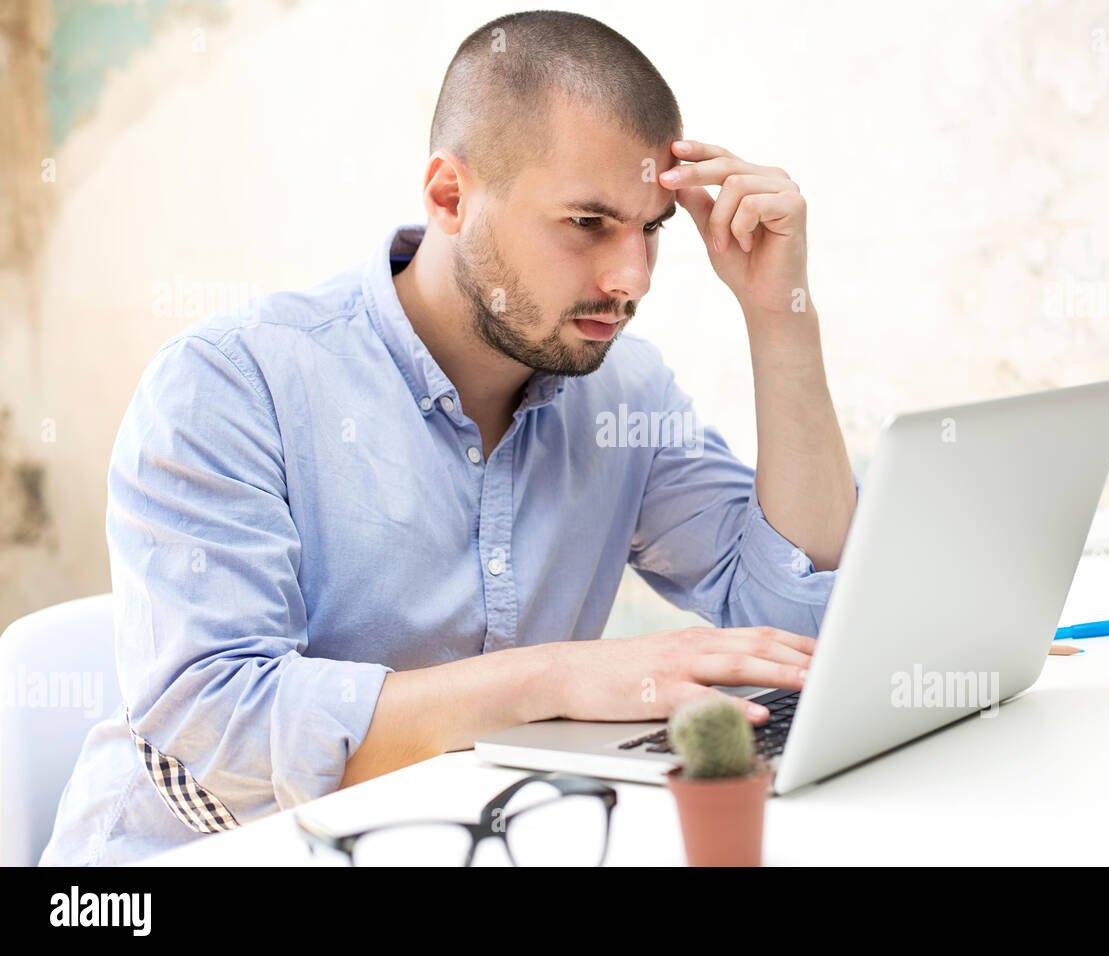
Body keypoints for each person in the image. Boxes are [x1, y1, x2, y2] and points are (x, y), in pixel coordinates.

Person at [40, 9, 856, 866]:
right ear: (449, 196)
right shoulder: (230, 382)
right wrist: (563, 678)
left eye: (651, 228)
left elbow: (792, 617)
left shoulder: (623, 391)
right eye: (587, 223)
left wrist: (779, 316)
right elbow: (221, 727)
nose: (632, 278)